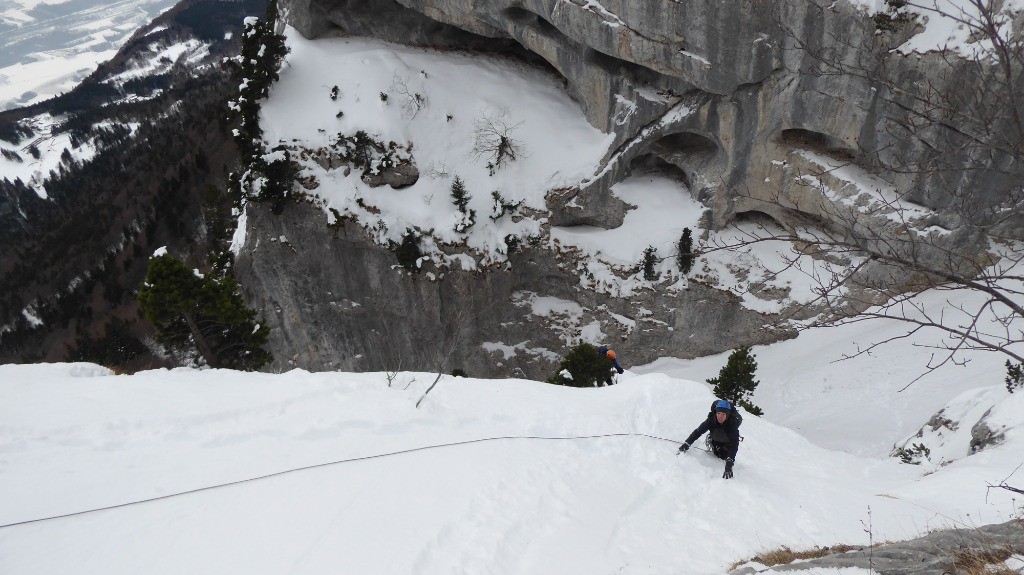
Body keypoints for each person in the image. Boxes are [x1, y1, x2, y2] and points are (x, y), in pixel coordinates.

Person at [677, 399, 741, 479]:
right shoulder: (711, 419)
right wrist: (687, 443)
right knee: (716, 454)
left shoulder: (732, 424)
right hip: (715, 439)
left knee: (723, 457)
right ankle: (713, 442)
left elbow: (734, 444)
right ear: (715, 413)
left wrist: (730, 462)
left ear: (727, 415)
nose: (720, 417)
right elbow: (698, 432)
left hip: (727, 442)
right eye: (718, 413)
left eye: (723, 414)